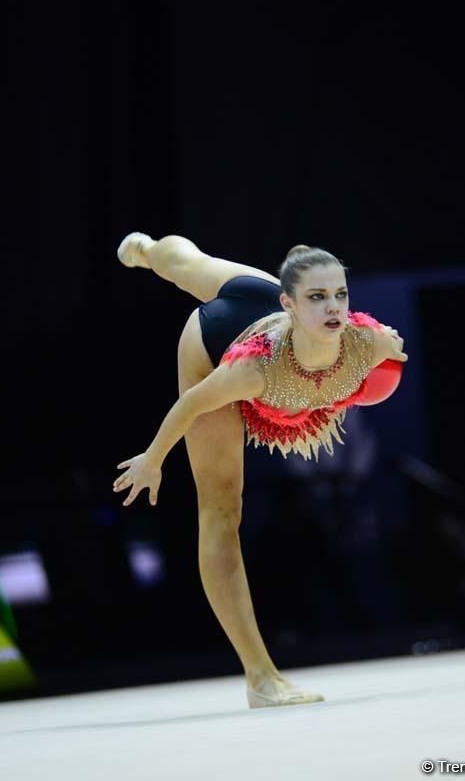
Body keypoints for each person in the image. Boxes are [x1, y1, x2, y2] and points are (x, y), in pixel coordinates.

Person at [112, 232, 407, 708]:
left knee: (200, 265)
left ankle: (154, 254)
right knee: (222, 510)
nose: (333, 308)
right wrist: (153, 458)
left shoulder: (367, 342)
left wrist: (391, 349)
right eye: (316, 297)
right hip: (215, 341)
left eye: (340, 295)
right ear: (288, 302)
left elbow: (392, 358)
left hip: (274, 327)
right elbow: (190, 405)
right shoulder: (253, 370)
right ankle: (261, 677)